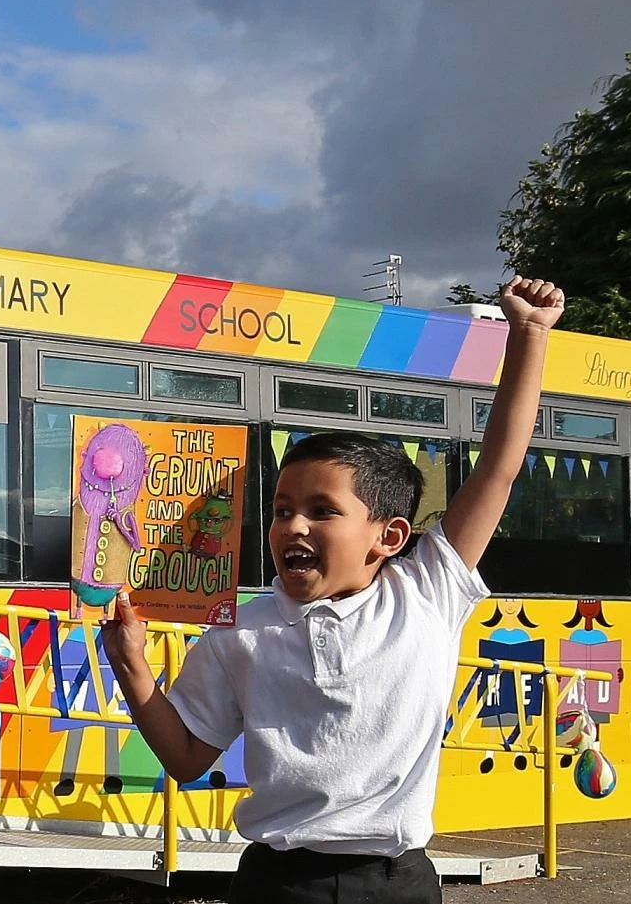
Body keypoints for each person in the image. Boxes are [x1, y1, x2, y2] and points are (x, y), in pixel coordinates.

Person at [102, 277, 567, 904]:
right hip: (277, 881)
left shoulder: (427, 591)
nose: (293, 525)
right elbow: (185, 758)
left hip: (396, 881)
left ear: (389, 536)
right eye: (283, 508)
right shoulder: (239, 630)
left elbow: (499, 468)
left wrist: (529, 335)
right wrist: (132, 668)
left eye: (323, 511)